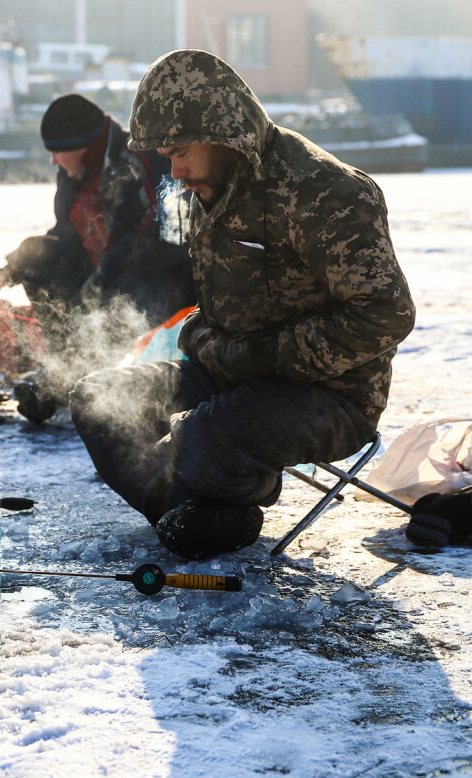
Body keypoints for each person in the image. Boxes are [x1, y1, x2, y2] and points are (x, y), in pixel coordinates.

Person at [69, 50, 416, 559]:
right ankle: (195, 512)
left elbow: (385, 314)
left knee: (198, 441)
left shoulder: (324, 191)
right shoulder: (210, 188)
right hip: (229, 374)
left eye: (181, 151)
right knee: (97, 401)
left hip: (330, 396)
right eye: (167, 156)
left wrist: (264, 356)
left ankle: (220, 488)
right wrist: (201, 337)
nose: (176, 170)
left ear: (222, 134)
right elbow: (213, 306)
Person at [0, 93, 195, 421]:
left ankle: (66, 384)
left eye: (56, 153)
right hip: (102, 271)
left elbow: (167, 237)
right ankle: (66, 365)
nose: (53, 162)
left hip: (158, 274)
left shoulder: (141, 159)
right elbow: (64, 235)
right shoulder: (73, 174)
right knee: (39, 256)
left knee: (127, 297)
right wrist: (10, 270)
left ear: (81, 147)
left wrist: (106, 270)